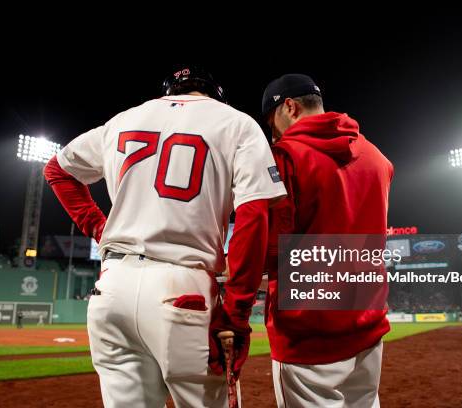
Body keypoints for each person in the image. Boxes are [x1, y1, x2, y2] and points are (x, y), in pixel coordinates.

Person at [44, 66, 286, 408]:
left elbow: (57, 170)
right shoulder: (236, 122)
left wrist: (98, 227)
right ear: (214, 94)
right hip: (185, 287)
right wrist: (238, 314)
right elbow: (253, 216)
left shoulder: (122, 120)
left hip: (113, 287)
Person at [262, 74, 393, 408]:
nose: (272, 133)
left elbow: (271, 248)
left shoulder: (286, 157)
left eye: (271, 122)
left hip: (308, 332)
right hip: (367, 322)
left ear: (288, 107)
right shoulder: (376, 156)